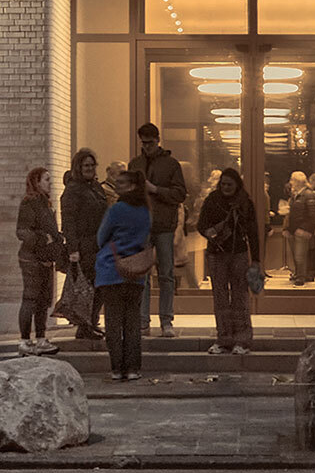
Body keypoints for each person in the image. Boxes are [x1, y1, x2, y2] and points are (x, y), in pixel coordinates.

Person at [93, 165, 153, 382]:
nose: (117, 187)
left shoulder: (116, 210)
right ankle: (133, 368)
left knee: (113, 322)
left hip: (112, 270)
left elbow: (101, 238)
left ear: (132, 186)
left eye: (121, 184)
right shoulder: (145, 211)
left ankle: (117, 368)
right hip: (136, 272)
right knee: (132, 323)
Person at [197, 166, 264, 354]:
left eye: (229, 184)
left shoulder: (244, 203)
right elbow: (201, 224)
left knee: (239, 296)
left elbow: (252, 232)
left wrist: (256, 259)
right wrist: (209, 232)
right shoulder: (212, 200)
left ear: (236, 185)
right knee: (220, 296)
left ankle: (241, 339)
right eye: (223, 184)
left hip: (238, 253)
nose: (225, 187)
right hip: (217, 253)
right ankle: (224, 337)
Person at [132, 122, 189, 339]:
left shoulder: (171, 164)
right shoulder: (135, 164)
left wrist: (155, 190)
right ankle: (144, 321)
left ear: (157, 141)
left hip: (163, 225)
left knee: (165, 274)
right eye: (144, 143)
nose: (146, 147)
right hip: (144, 226)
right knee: (144, 275)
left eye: (150, 143)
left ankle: (166, 320)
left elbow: (180, 194)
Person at [57, 148, 108, 339]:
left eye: (92, 165)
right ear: (78, 167)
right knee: (87, 286)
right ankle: (86, 325)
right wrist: (73, 249)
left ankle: (91, 322)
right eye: (85, 165)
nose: (89, 168)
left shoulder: (95, 187)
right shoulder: (73, 190)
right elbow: (68, 221)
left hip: (98, 243)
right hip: (84, 245)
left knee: (98, 285)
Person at [13, 167, 60, 352]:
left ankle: (41, 338)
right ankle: (25, 341)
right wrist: (45, 239)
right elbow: (22, 231)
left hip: (45, 258)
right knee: (31, 298)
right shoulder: (29, 202)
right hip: (31, 259)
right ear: (37, 182)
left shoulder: (45, 203)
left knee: (42, 300)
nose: (50, 183)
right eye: (47, 179)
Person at [283, 171, 315, 286]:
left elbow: (314, 213)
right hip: (294, 229)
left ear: (297, 182)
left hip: (301, 230)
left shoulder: (308, 194)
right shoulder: (296, 195)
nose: (290, 182)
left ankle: (301, 276)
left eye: (292, 180)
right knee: (297, 254)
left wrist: (306, 229)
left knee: (300, 255)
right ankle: (300, 274)